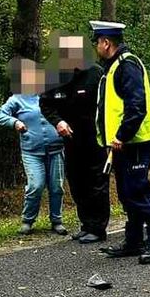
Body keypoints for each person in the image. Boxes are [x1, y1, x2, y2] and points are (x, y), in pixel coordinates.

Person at [92, 21, 150, 265]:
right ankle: (134, 240)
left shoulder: (127, 65)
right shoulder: (113, 67)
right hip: (120, 144)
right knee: (127, 194)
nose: (95, 47)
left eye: (97, 42)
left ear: (106, 42)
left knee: (139, 191)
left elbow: (137, 107)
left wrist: (122, 135)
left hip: (133, 141)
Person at [41, 34, 111, 244]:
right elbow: (45, 103)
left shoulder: (96, 73)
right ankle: (86, 224)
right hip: (70, 138)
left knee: (96, 182)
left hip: (95, 138)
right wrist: (58, 122)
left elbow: (110, 104)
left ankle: (98, 228)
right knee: (77, 182)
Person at [0, 57, 68, 236]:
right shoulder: (17, 99)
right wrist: (15, 122)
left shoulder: (50, 93)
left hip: (56, 148)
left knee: (56, 186)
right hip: (32, 151)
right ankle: (28, 220)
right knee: (35, 185)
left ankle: (56, 220)